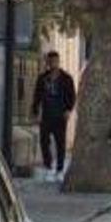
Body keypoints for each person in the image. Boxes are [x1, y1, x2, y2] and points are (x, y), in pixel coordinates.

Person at [31, 51, 77, 182]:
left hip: (60, 115)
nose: (53, 64)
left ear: (58, 62)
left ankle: (59, 169)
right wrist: (35, 112)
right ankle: (48, 166)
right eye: (50, 62)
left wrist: (68, 110)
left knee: (60, 143)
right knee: (44, 141)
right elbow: (37, 96)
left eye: (55, 61)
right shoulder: (42, 78)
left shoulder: (66, 78)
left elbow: (72, 96)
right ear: (47, 63)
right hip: (46, 114)